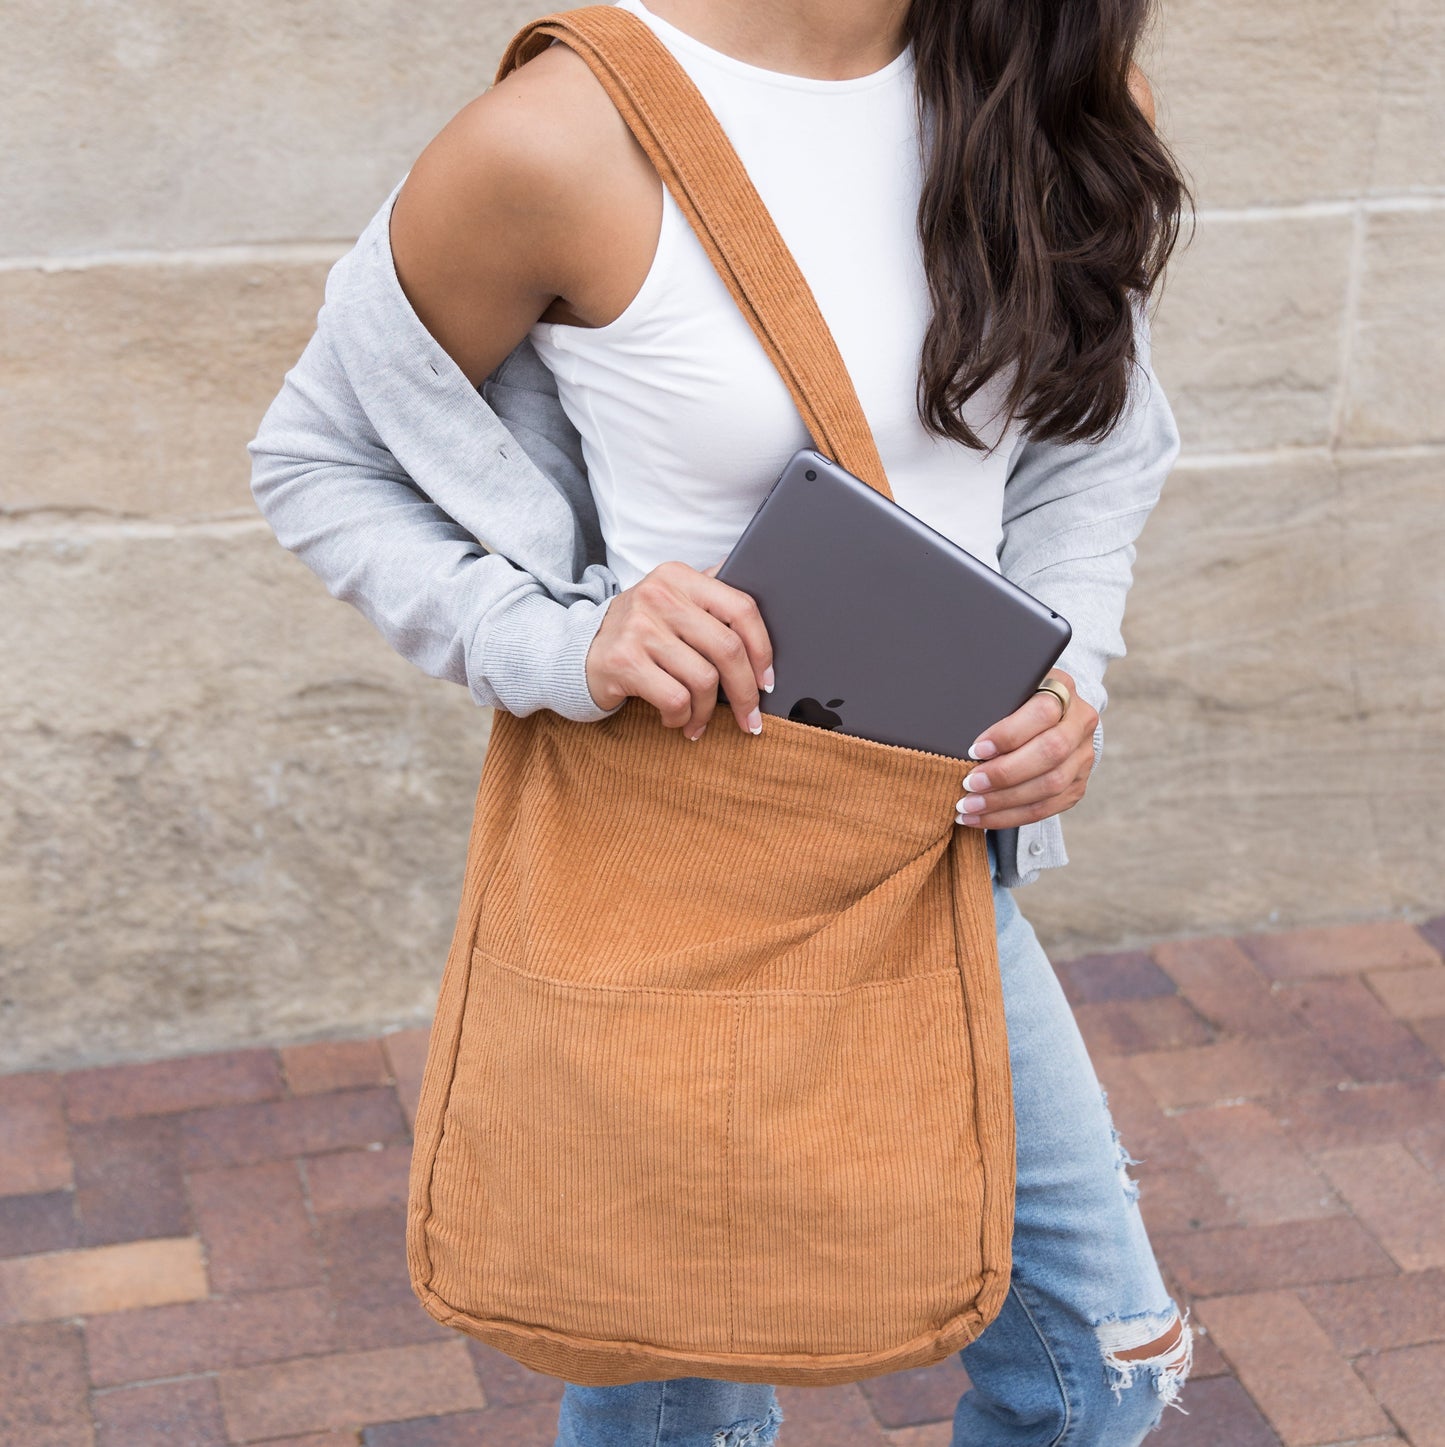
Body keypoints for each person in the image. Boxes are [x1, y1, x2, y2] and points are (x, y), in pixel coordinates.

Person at [249, 0, 1195, 1441]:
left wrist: (1070, 682)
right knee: (673, 1390)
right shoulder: (561, 138)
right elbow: (317, 458)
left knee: (1099, 1365)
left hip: (927, 850)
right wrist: (570, 639)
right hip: (678, 857)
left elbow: (1091, 436)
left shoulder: (1032, 72)